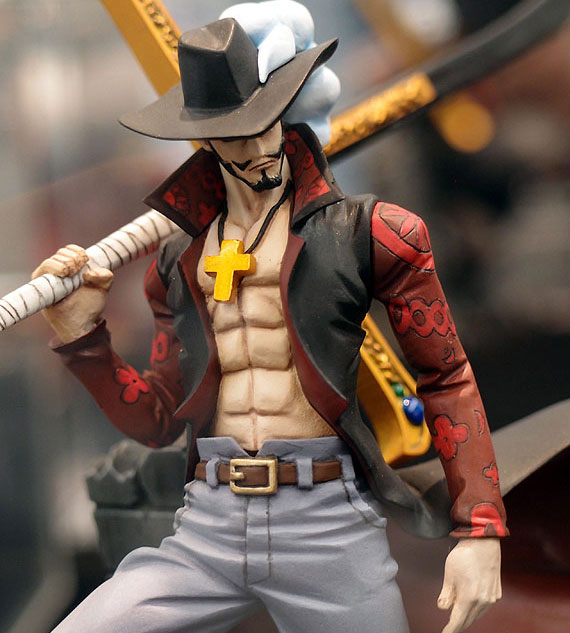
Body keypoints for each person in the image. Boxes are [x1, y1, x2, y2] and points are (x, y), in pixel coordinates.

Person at [34, 12, 507, 633]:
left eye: (267, 123)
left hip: (327, 526)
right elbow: (158, 420)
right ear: (206, 142)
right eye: (236, 135)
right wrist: (83, 338)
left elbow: (445, 377)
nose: (259, 149)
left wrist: (480, 530)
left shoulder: (372, 233)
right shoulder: (178, 262)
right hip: (208, 524)